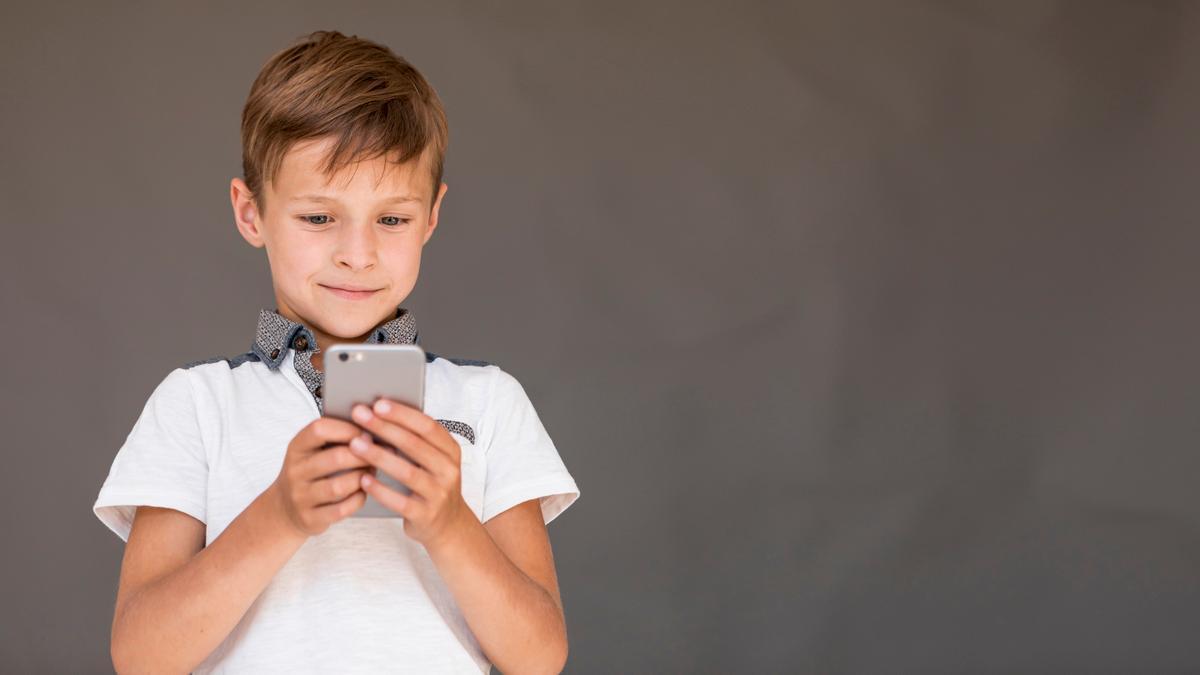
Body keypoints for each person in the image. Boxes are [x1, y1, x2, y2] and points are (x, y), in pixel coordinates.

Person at [92, 29, 580, 674]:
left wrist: (450, 524)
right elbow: (140, 657)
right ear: (251, 213)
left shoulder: (488, 401)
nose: (358, 252)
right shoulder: (196, 403)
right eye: (319, 218)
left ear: (431, 217)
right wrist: (278, 517)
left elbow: (540, 659)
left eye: (392, 218)